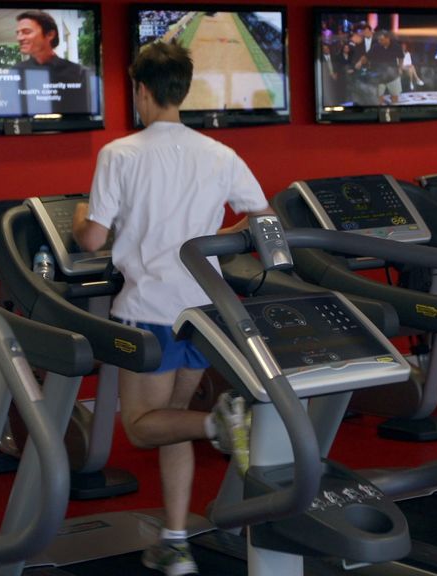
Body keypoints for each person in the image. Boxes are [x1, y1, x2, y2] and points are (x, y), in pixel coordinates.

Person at [72, 42, 269, 576]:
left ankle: (220, 423)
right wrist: (211, 240)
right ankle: (176, 541)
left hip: (148, 310)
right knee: (171, 424)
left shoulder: (120, 153)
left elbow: (91, 240)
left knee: (140, 427)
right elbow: (263, 220)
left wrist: (80, 215)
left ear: (139, 89)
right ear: (183, 89)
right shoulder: (218, 154)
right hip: (204, 311)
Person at [13, 10, 92, 113]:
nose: (19, 38)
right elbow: (7, 119)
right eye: (18, 33)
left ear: (50, 34)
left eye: (26, 32)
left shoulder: (79, 73)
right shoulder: (14, 72)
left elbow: (83, 118)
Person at [370, 30, 403, 105]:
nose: (379, 41)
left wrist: (400, 68)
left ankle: (394, 112)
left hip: (393, 75)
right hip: (379, 75)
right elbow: (370, 58)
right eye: (378, 39)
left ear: (387, 38)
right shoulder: (375, 46)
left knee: (395, 96)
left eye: (381, 39)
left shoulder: (396, 46)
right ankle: (381, 112)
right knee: (379, 96)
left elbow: (401, 57)